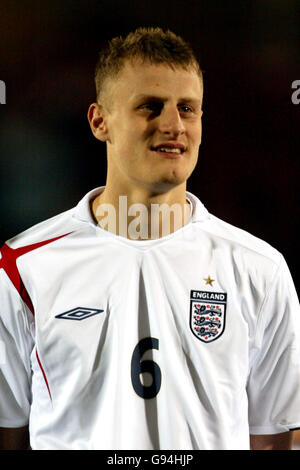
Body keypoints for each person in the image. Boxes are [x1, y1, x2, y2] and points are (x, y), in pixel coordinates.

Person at [0, 27, 300, 451]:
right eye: (150, 107)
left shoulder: (259, 269)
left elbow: (275, 439)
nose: (174, 125)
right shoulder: (22, 267)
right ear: (99, 121)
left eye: (188, 109)